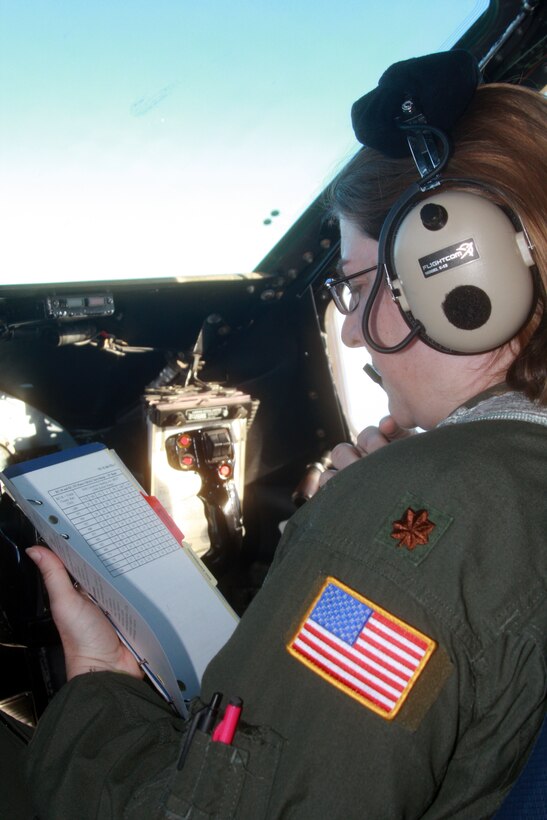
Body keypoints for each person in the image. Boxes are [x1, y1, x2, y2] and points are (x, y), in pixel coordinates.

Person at [24, 51, 546, 819]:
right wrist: (367, 542)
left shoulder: (424, 502)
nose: (360, 337)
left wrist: (99, 687)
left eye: (358, 286)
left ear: (458, 271)